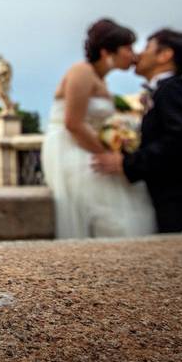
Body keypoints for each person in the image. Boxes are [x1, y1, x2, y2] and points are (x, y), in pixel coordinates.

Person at [92, 29, 182, 233]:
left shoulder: (174, 90)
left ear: (165, 55)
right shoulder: (168, 91)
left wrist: (128, 163)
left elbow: (181, 142)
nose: (139, 55)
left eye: (146, 48)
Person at [41, 19, 157, 238]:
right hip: (69, 148)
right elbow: (73, 124)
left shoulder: (100, 79)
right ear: (107, 51)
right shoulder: (81, 71)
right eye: (128, 48)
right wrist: (106, 154)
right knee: (117, 213)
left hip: (85, 146)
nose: (133, 55)